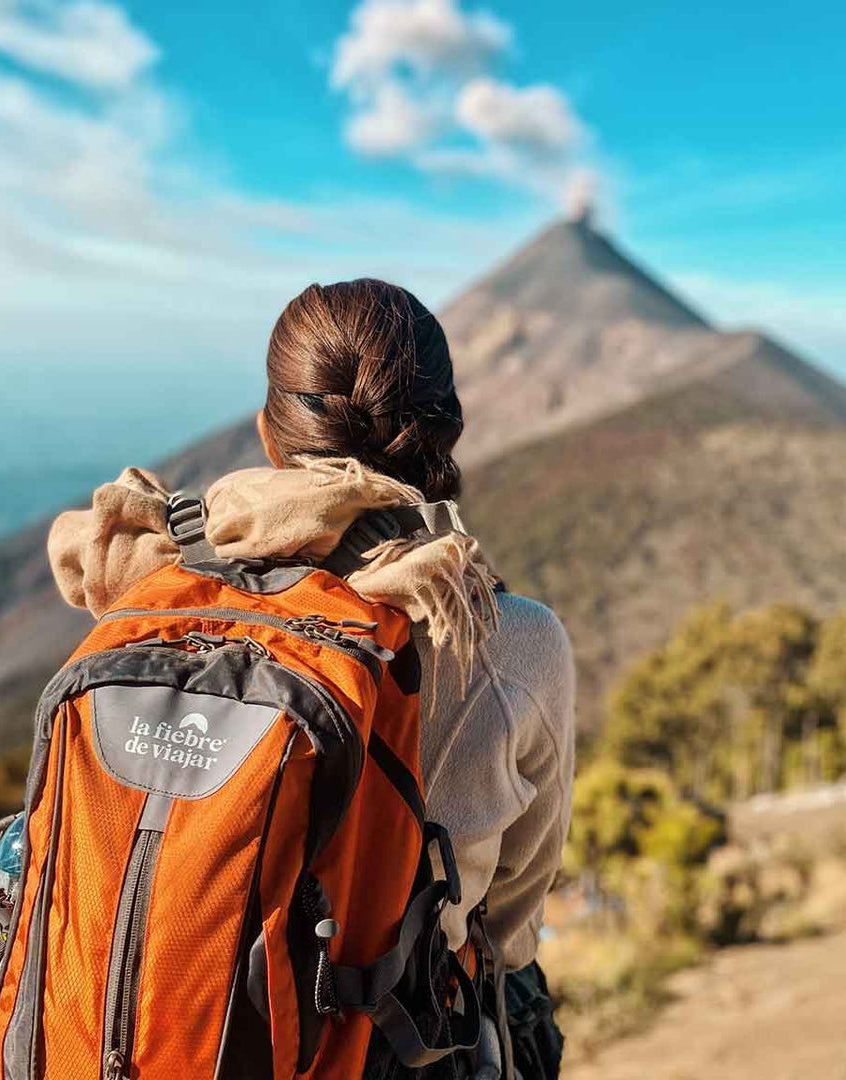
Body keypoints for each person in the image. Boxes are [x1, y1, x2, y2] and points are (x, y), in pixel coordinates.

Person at [258, 279, 574, 1076]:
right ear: (444, 435)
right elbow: (512, 918)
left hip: (172, 1033)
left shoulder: (168, 600)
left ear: (271, 436)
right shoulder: (511, 640)